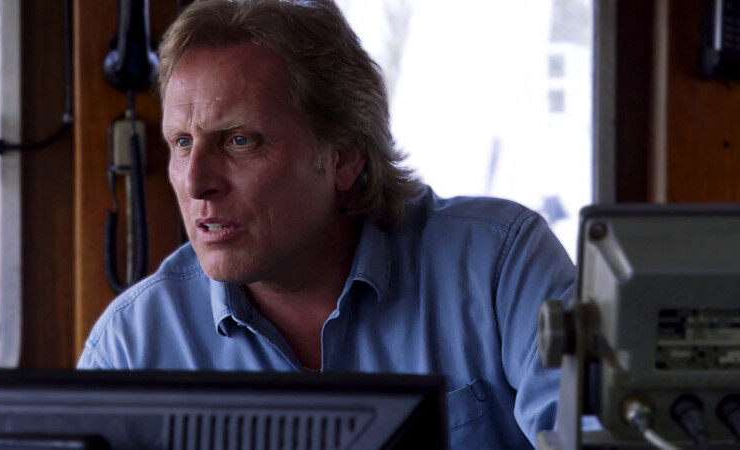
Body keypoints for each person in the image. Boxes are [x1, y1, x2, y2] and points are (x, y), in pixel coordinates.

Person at [78, 0, 576, 448]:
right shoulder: (132, 346)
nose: (196, 183)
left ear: (344, 157)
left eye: (239, 141)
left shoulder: (499, 268)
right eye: (182, 143)